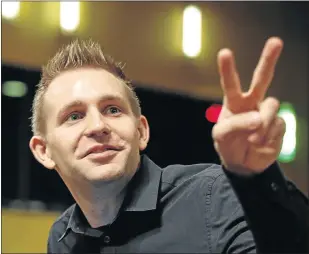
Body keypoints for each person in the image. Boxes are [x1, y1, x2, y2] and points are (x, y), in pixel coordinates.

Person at [29, 37, 309, 253]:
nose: (98, 126)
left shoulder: (215, 195)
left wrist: (256, 179)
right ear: (44, 151)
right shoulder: (63, 238)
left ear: (141, 132)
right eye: (74, 116)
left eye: (113, 109)